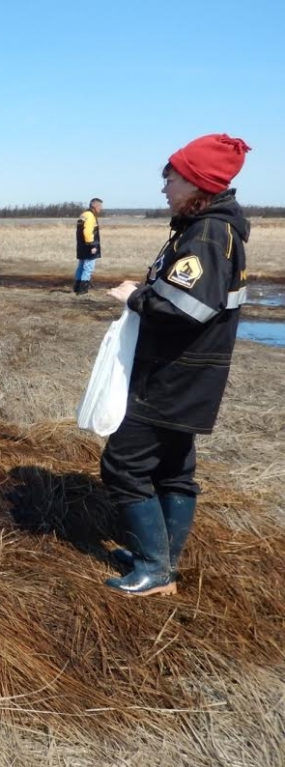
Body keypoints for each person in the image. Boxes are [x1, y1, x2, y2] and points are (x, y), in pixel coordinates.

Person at [101, 134, 251, 597]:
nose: (164, 186)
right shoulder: (207, 228)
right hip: (190, 374)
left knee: (122, 464)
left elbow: (189, 309)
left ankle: (154, 568)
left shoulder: (207, 234)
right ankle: (161, 560)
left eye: (172, 177)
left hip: (174, 375)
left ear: (197, 183)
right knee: (172, 469)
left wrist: (136, 297)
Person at [73, 197, 104, 294]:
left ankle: (77, 288)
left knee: (81, 267)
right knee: (88, 267)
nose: (101, 208)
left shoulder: (83, 214)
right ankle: (83, 290)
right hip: (88, 246)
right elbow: (87, 232)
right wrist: (92, 246)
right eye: (100, 206)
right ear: (95, 206)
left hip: (81, 246)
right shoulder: (90, 216)